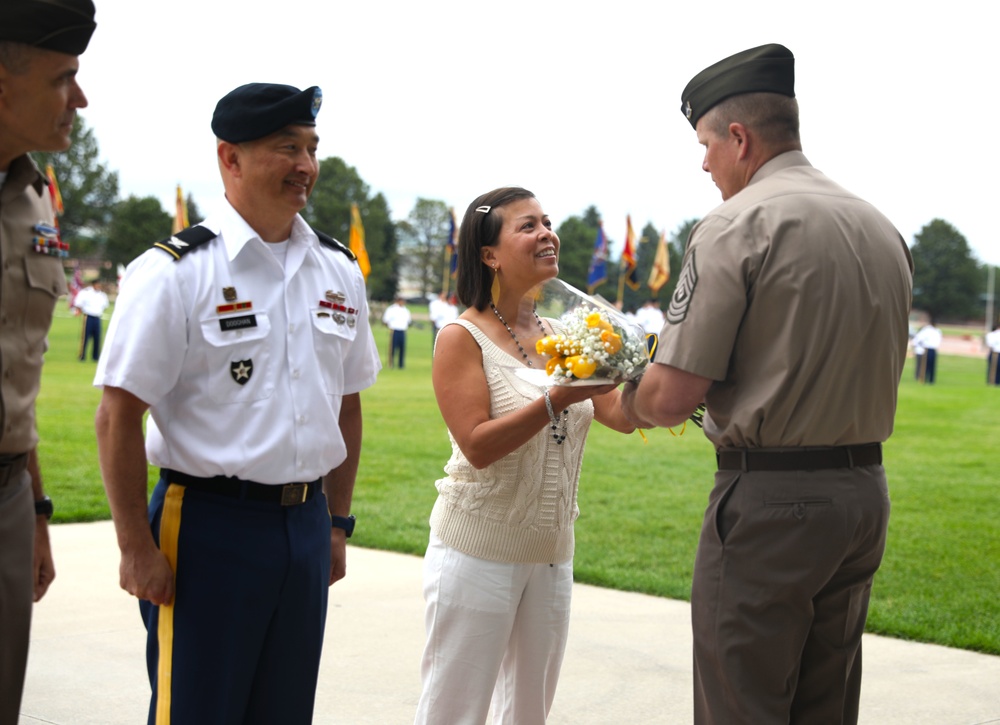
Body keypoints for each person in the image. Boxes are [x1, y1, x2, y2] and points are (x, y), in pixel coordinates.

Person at [620, 44, 913, 724]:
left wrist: (618, 399)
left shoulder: (736, 223)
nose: (703, 163)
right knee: (826, 702)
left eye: (705, 144)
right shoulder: (880, 226)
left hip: (773, 499)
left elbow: (670, 397)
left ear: (740, 138)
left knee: (740, 701)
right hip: (862, 492)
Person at [93, 82, 381, 725]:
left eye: (311, 148)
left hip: (304, 527)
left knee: (284, 713)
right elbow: (117, 414)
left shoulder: (338, 269)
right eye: (287, 148)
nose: (305, 165)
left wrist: (336, 523)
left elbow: (348, 406)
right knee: (196, 710)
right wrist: (135, 547)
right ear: (231, 158)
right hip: (206, 527)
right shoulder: (175, 271)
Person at [415, 187, 636, 724]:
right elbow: (478, 444)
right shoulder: (461, 337)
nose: (546, 234)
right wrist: (556, 398)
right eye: (528, 226)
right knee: (454, 713)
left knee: (528, 714)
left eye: (547, 222)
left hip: (552, 554)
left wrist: (671, 374)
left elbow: (623, 416)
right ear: (489, 254)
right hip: (477, 552)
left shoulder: (570, 335)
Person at [0, 1, 95, 721]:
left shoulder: (35, 200)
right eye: (65, 78)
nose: (81, 99)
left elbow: (18, 378)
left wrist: (34, 509)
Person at [72, 278, 109, 361]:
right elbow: (78, 303)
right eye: (97, 284)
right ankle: (82, 355)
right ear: (93, 284)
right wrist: (80, 311)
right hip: (88, 316)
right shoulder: (86, 293)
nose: (99, 286)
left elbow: (105, 306)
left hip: (97, 317)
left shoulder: (102, 295)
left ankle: (95, 357)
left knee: (97, 338)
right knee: (85, 337)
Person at [382, 295, 411, 368]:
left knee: (402, 348)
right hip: (394, 330)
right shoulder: (391, 309)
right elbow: (386, 320)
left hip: (402, 330)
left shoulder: (405, 310)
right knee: (392, 348)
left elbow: (408, 321)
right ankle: (391, 363)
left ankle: (401, 364)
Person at [912, 317, 942, 383]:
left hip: (930, 348)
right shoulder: (931, 330)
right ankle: (928, 379)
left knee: (928, 365)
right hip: (929, 348)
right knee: (928, 365)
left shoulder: (934, 331)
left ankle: (927, 378)